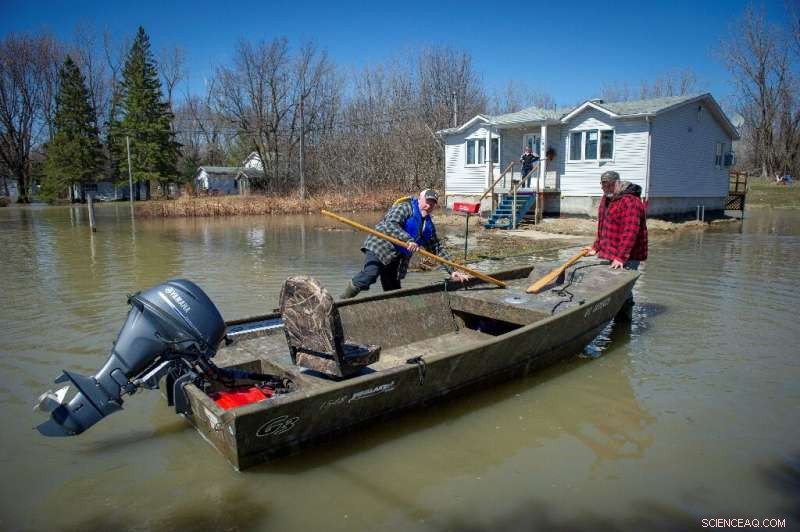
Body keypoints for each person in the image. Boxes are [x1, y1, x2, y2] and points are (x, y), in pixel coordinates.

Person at [340, 189, 471, 299]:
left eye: (432, 204)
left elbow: (437, 248)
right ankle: (342, 301)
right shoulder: (404, 207)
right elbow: (390, 224)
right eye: (427, 202)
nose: (428, 206)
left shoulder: (428, 225)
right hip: (380, 247)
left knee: (393, 289)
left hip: (396, 257)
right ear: (420, 199)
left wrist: (453, 271)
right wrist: (408, 239)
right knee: (370, 275)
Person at [583, 171, 648, 271]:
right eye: (604, 185)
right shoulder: (606, 199)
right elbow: (603, 227)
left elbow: (630, 232)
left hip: (629, 258)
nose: (607, 188)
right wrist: (595, 248)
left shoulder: (631, 201)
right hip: (612, 255)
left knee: (622, 284)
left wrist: (621, 258)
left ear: (618, 183)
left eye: (610, 185)